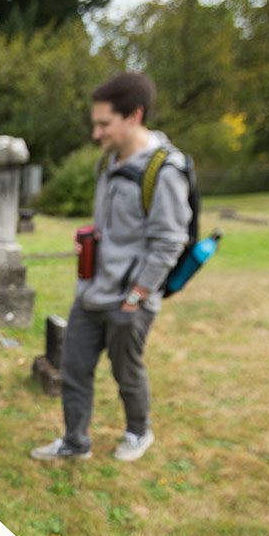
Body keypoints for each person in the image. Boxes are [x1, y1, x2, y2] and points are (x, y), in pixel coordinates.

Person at [32, 72, 190, 463]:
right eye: (95, 123)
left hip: (129, 299)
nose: (96, 133)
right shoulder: (107, 163)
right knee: (74, 369)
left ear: (134, 116)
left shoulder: (164, 171)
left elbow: (170, 242)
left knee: (127, 372)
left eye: (104, 124)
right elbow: (110, 227)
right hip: (91, 292)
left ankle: (139, 431)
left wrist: (137, 296)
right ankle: (74, 441)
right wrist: (89, 241)